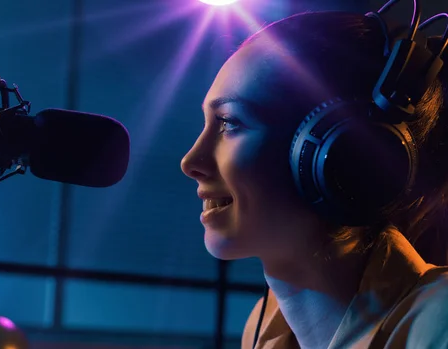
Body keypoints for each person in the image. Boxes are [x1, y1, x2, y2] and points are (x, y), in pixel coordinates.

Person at [180, 7, 448, 349]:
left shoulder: (439, 326)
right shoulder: (262, 333)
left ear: (344, 151)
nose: (190, 162)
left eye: (231, 122)